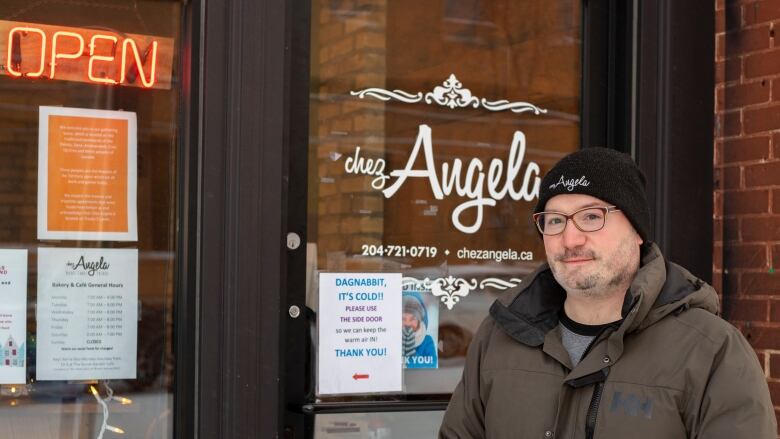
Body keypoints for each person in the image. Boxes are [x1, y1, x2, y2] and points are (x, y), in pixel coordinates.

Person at [439, 147, 776, 439]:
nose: (570, 240)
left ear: (637, 230)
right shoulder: (499, 338)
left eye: (591, 216)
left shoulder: (711, 352)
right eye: (555, 221)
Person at [403, 291, 438, 368]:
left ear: (419, 321)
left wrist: (411, 354)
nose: (408, 324)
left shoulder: (427, 341)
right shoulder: (391, 341)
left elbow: (431, 366)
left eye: (413, 319)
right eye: (403, 319)